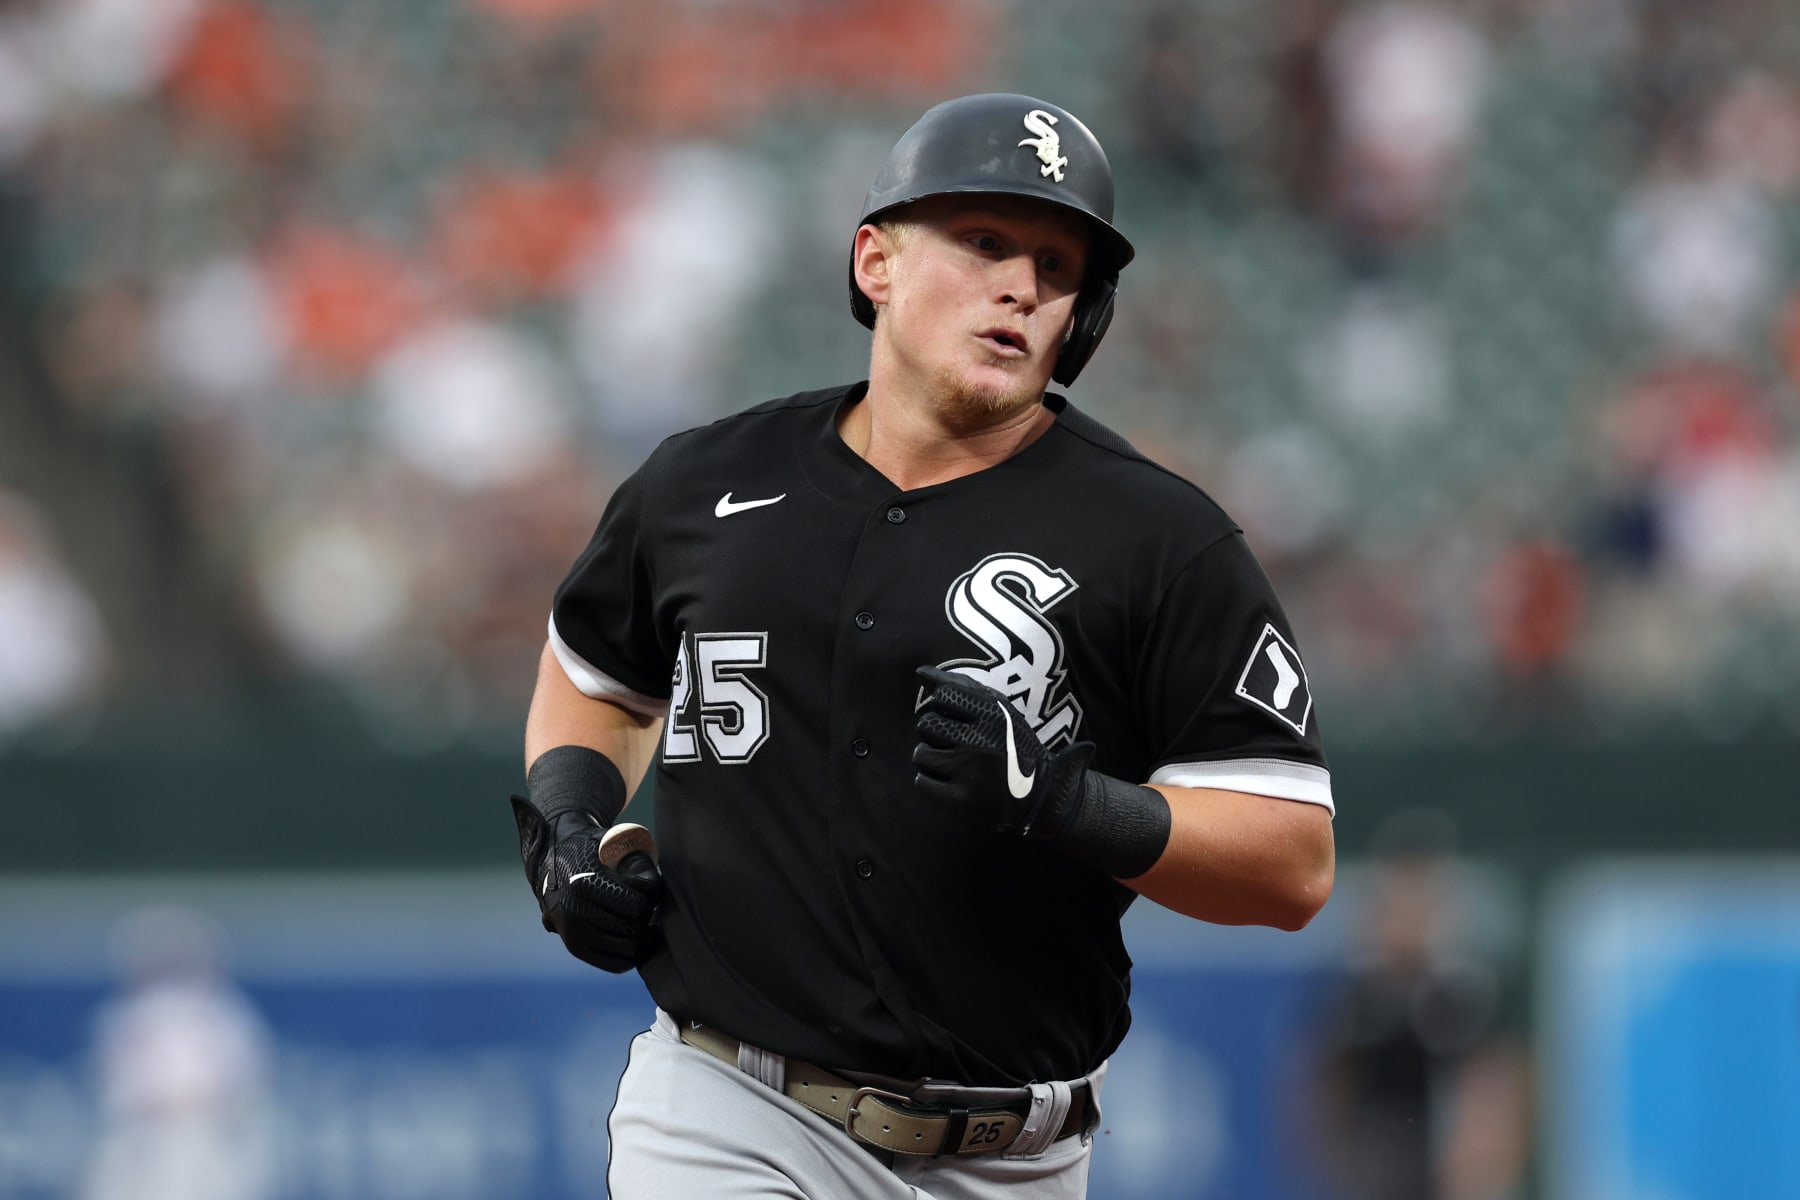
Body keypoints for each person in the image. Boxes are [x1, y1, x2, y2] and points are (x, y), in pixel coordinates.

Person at [510, 92, 1336, 1199]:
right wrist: (569, 826)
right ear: (876, 262)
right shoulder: (701, 484)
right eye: (985, 242)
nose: (1022, 287)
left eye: (1056, 265)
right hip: (726, 1105)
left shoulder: (1159, 541)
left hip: (1011, 1156)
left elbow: (1292, 859)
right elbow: (594, 681)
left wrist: (1067, 800)